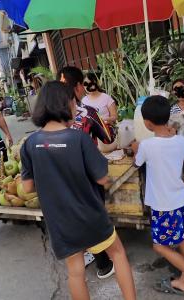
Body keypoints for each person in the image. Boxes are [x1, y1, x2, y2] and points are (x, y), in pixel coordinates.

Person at [20, 81, 136, 300]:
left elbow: (27, 187)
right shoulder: (79, 139)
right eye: (74, 101)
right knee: (118, 254)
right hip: (89, 215)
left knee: (75, 272)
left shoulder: (30, 143)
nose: (76, 106)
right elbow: (102, 179)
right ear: (65, 104)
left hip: (59, 222)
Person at [132, 96, 184, 296]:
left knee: (159, 246)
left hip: (163, 204)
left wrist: (135, 150)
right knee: (182, 238)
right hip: (179, 199)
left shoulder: (146, 146)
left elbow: (136, 164)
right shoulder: (180, 140)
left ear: (147, 123)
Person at [57, 66, 115, 279]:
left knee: (75, 215)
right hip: (88, 176)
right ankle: (103, 264)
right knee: (93, 216)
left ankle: (85, 253)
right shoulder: (87, 113)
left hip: (61, 179)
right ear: (79, 87)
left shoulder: (49, 119)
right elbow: (108, 138)